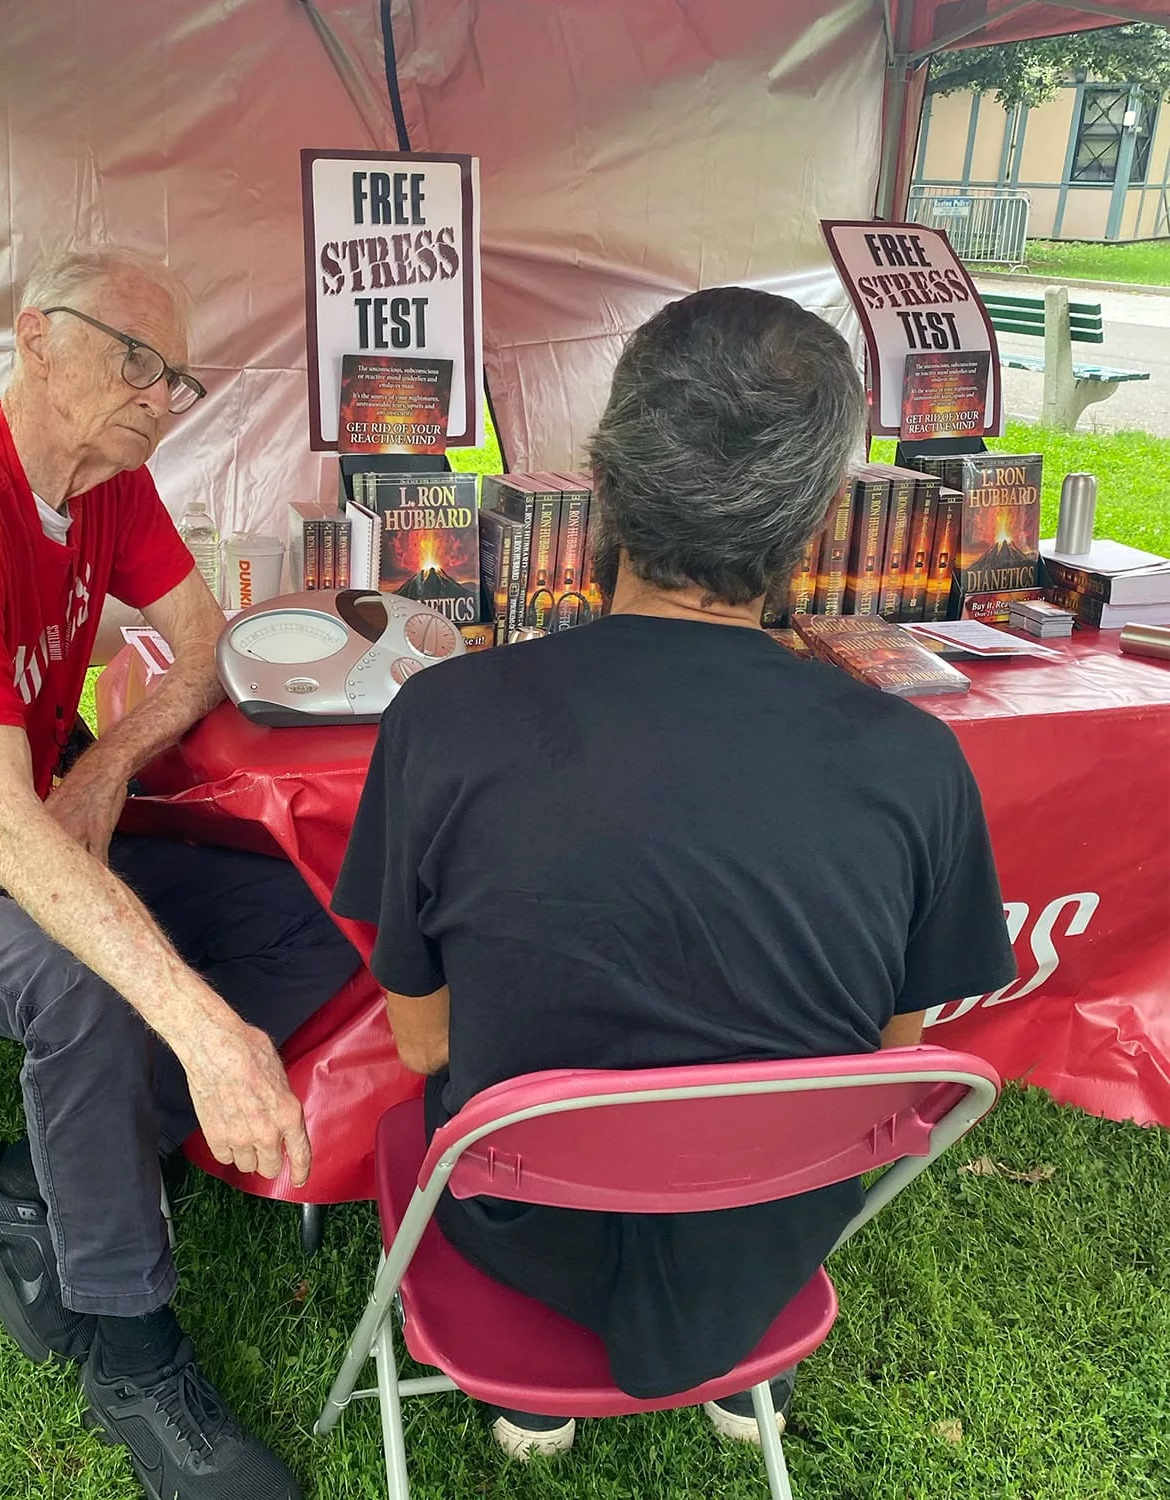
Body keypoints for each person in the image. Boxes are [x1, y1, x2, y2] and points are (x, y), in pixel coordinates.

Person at [332, 286, 1018, 1461]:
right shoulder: (918, 759)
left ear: (602, 484)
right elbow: (885, 1061)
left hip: (523, 1224)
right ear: (812, 527)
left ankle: (536, 1389)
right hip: (767, 1239)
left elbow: (424, 1044)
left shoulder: (444, 719)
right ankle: (725, 1352)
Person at [0, 244, 359, 1500]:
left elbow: (205, 646)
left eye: (177, 377)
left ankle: (22, 1186)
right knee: (88, 985)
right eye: (134, 358)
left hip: (31, 814)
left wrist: (102, 772)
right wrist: (202, 1029)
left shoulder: (107, 483)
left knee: (306, 921)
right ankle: (133, 1358)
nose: (159, 393)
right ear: (34, 337)